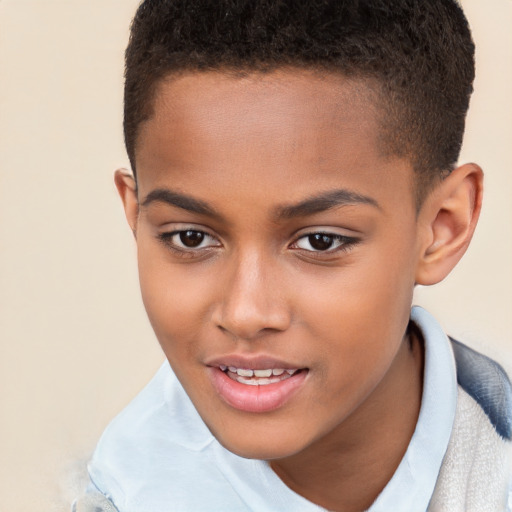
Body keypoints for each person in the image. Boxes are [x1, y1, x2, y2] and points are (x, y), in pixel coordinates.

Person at [73, 1, 512, 510]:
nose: (246, 313)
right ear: (135, 214)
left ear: (441, 227)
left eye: (320, 241)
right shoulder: (124, 488)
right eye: (190, 238)